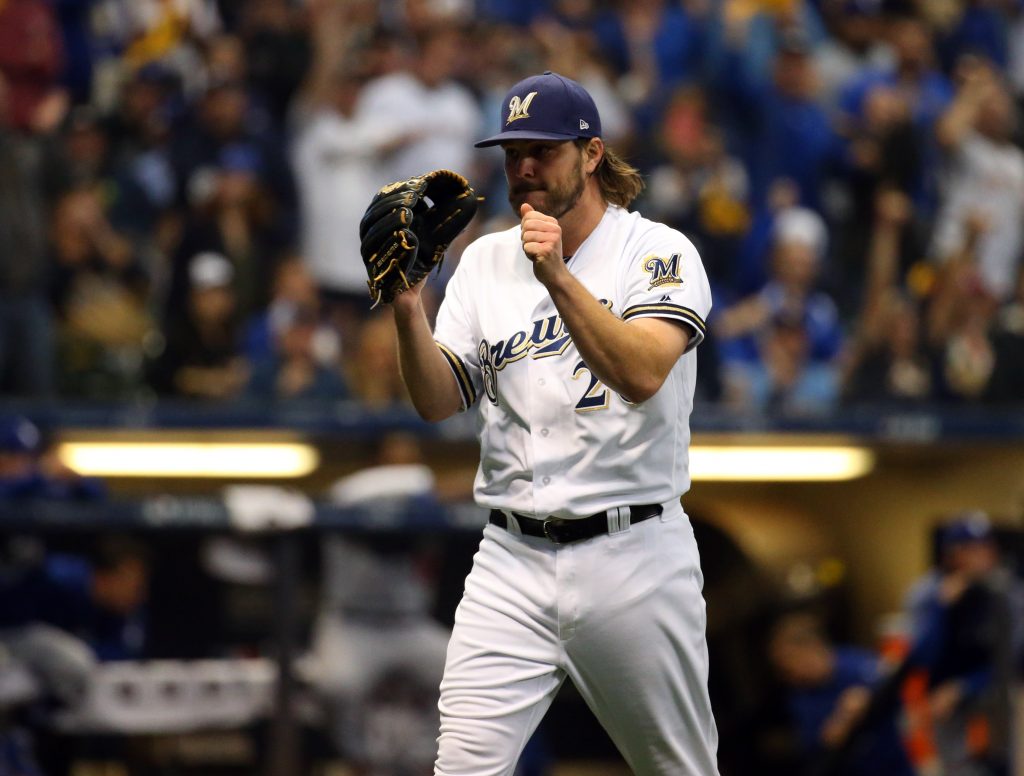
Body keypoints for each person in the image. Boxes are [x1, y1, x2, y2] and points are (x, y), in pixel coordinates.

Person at [382, 71, 719, 774]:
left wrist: (558, 276)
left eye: (543, 150)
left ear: (591, 155)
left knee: (678, 768)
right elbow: (440, 399)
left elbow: (642, 373)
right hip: (512, 556)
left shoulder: (657, 253)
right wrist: (409, 307)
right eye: (512, 153)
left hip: (633, 551)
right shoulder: (482, 261)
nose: (525, 168)